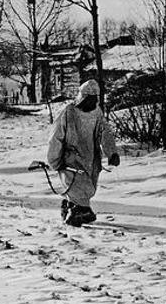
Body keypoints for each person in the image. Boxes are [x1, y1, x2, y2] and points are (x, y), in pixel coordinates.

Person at [48, 79, 120, 227]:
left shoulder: (97, 112)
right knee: (77, 186)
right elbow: (56, 137)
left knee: (89, 187)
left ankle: (72, 207)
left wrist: (112, 152)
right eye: (89, 99)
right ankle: (79, 211)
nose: (92, 102)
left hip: (91, 158)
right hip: (71, 158)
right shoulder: (68, 112)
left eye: (95, 99)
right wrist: (54, 159)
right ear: (82, 97)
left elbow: (104, 132)